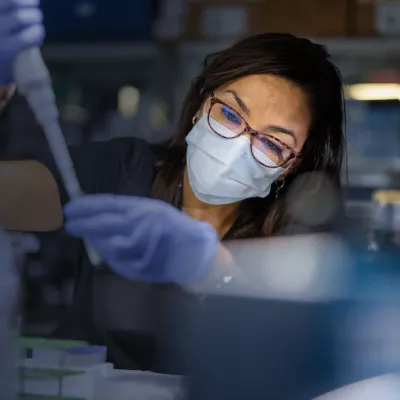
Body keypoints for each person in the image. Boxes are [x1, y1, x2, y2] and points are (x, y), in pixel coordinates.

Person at [0, 0, 345, 370]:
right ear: (200, 104)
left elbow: (302, 358)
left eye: (272, 144)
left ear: (292, 168)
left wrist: (209, 265)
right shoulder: (124, 171)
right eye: (229, 114)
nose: (237, 146)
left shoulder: (302, 235)